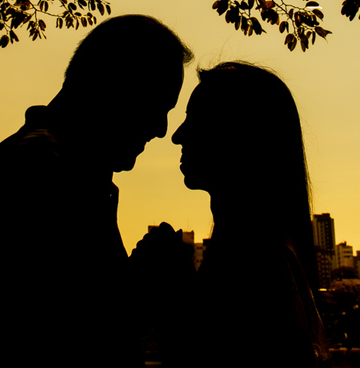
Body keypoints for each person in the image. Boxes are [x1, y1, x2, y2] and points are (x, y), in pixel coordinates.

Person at [0, 15, 192, 367]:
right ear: (112, 85)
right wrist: (143, 287)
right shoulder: (42, 171)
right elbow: (63, 335)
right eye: (155, 106)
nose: (161, 130)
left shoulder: (57, 167)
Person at [138, 62, 329, 367]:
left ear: (239, 134)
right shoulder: (259, 252)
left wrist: (172, 292)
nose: (177, 135)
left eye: (196, 120)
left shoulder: (255, 260)